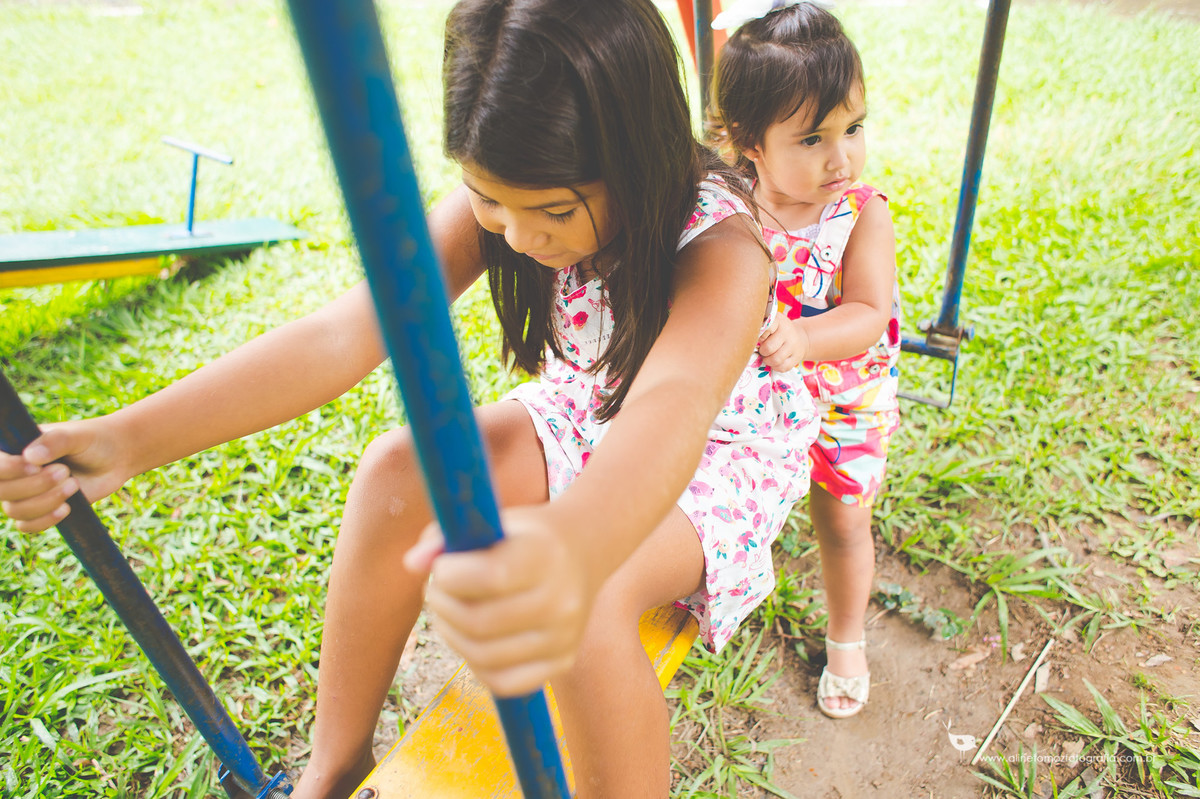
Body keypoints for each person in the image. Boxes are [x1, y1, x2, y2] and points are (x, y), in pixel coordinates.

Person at [0, 0, 821, 795]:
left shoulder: (724, 247)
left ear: (636, 158)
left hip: (716, 453)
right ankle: (333, 768)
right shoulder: (512, 192)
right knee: (398, 470)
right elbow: (343, 334)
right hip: (589, 408)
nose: (519, 235)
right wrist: (129, 439)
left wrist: (570, 544)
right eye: (489, 199)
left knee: (591, 593)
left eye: (552, 211)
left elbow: (671, 405)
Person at [707, 0, 902, 720]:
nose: (841, 157)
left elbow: (868, 312)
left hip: (843, 399)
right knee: (719, 496)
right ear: (748, 142)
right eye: (813, 138)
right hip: (753, 405)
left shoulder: (860, 213)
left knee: (842, 521)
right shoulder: (728, 203)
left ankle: (847, 636)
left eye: (853, 129)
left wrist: (806, 341)